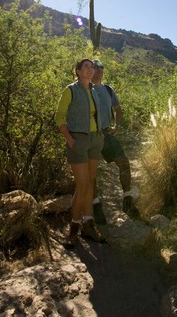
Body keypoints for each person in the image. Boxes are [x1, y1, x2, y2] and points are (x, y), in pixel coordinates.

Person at [55, 58, 105, 247]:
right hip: (78, 140)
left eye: (92, 67)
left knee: (90, 182)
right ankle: (74, 228)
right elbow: (59, 116)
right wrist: (70, 139)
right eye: (86, 67)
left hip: (95, 139)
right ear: (77, 70)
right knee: (82, 185)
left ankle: (89, 224)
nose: (91, 70)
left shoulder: (94, 91)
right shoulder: (70, 90)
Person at [91, 59, 140, 224]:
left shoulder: (108, 90)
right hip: (90, 136)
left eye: (101, 67)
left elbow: (118, 110)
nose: (98, 69)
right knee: (91, 172)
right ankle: (96, 206)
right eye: (95, 67)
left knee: (124, 163)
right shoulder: (84, 88)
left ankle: (127, 200)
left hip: (106, 134)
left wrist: (117, 125)